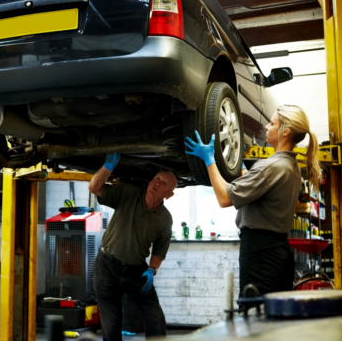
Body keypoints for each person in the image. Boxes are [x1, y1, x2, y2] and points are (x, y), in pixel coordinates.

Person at [185, 105, 321, 294]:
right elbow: (260, 187)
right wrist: (242, 170)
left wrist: (209, 160)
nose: (266, 126)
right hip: (278, 251)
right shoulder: (290, 166)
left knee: (254, 312)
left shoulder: (271, 166)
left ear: (285, 132)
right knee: (273, 314)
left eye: (272, 123)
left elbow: (224, 199)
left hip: (260, 252)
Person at [88, 152, 177, 341]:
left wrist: (152, 270)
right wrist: (108, 167)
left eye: (163, 183)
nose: (157, 183)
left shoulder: (165, 219)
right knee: (112, 324)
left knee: (156, 319)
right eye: (156, 178)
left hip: (136, 272)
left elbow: (160, 250)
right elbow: (94, 188)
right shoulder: (128, 193)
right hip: (107, 267)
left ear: (169, 195)